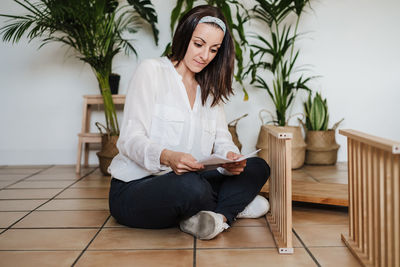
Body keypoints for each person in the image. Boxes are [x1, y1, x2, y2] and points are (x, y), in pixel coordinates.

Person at [108, 5, 270, 240]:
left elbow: (222, 139)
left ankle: (217, 218)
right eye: (199, 44)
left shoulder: (210, 89)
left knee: (258, 167)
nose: (205, 56)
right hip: (136, 189)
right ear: (184, 36)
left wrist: (231, 158)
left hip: (193, 181)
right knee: (190, 188)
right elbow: (129, 140)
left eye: (214, 50)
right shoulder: (152, 71)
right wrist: (167, 157)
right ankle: (233, 207)